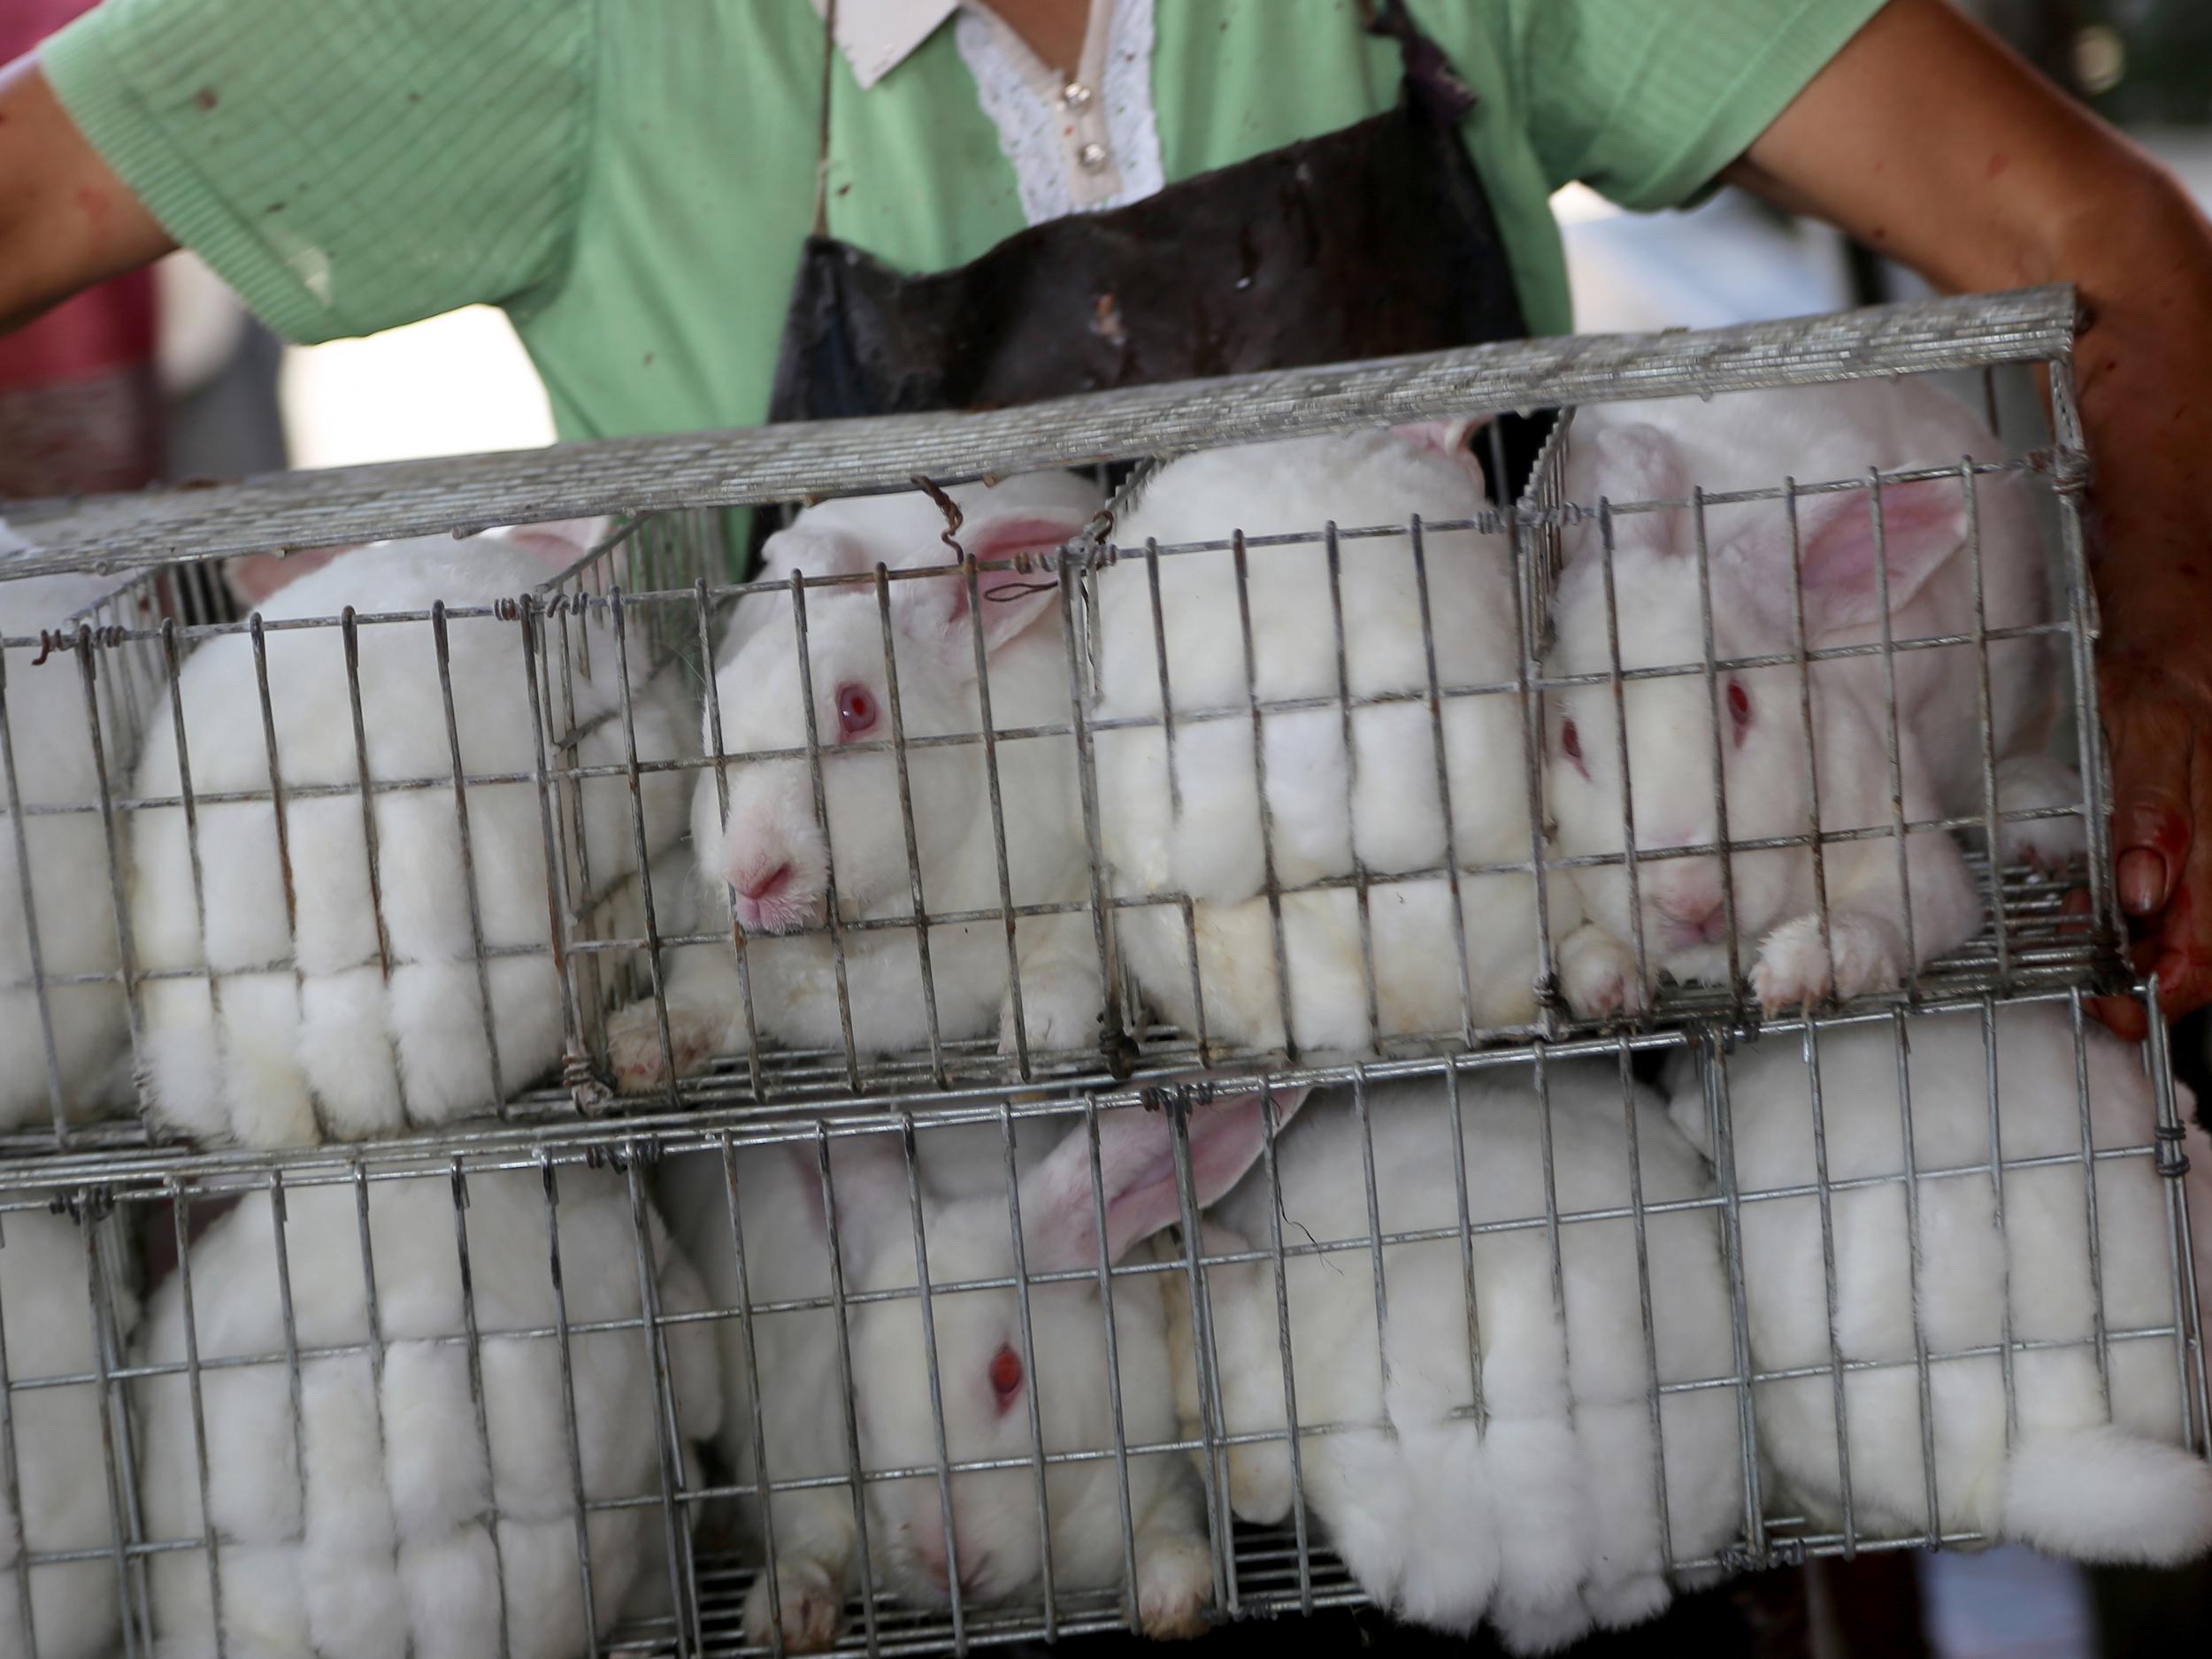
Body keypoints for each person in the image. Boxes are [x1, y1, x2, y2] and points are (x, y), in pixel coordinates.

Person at [3, 0, 2209, 1041]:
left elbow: (2092, 225)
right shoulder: (566, 28)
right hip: (900, 1257)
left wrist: (2158, 678)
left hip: (1532, 1141)